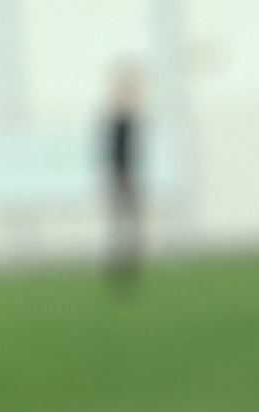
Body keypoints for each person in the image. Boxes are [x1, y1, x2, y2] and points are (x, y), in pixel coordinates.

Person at [100, 61, 146, 293]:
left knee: (129, 225)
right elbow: (115, 155)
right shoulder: (118, 123)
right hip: (123, 179)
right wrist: (122, 179)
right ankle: (121, 266)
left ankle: (126, 265)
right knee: (123, 225)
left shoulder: (127, 121)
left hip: (126, 178)